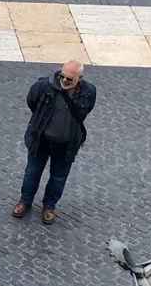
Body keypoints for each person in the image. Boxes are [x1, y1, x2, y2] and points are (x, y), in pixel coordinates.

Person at [14, 61, 96, 225]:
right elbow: (32, 102)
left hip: (66, 144)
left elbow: (84, 111)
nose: (65, 80)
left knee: (58, 178)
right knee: (32, 173)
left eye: (70, 79)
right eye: (63, 76)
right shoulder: (43, 86)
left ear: (79, 78)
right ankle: (25, 201)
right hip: (41, 140)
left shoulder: (88, 91)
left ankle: (49, 206)